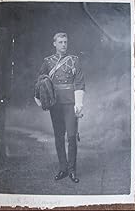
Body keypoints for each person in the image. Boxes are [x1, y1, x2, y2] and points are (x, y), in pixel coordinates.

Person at [35, 32, 85, 183]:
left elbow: (80, 82)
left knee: (71, 137)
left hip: (70, 103)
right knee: (58, 136)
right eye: (61, 42)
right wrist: (42, 90)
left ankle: (72, 171)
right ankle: (63, 168)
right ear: (54, 44)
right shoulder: (48, 62)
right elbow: (40, 79)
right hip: (55, 103)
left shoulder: (75, 60)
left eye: (65, 42)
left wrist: (79, 102)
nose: (64, 44)